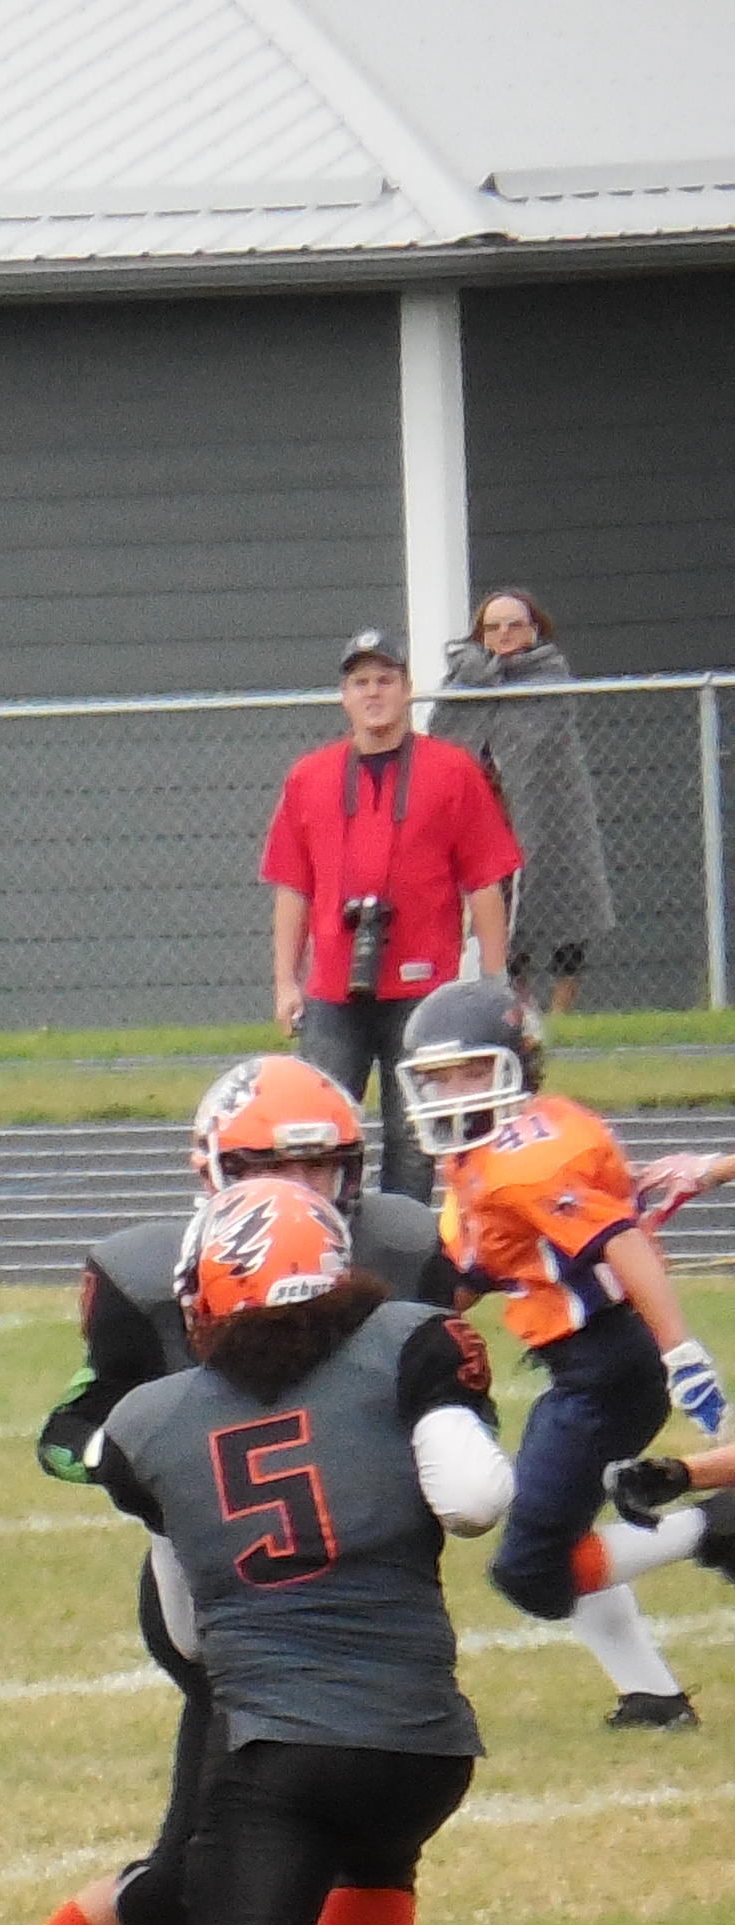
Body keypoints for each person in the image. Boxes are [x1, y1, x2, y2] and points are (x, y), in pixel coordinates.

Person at [0, 1062, 459, 1925]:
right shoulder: (152, 1276)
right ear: (213, 1171)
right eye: (269, 1164)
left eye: (322, 1164)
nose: (300, 1186)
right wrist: (170, 1472)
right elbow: (69, 1434)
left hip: (362, 1585)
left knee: (220, 1861)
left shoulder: (404, 1249)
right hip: (235, 1595)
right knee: (243, 1853)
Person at [94, 1182, 511, 1925]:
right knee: (380, 1871)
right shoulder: (410, 1344)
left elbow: (186, 1632)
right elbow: (472, 1499)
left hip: (280, 1731)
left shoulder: (149, 1423)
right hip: (423, 1734)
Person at [405, 974, 731, 1726]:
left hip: (608, 1367)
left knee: (532, 1570)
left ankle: (712, 1524)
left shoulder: (528, 1157)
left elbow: (620, 1242)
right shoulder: (486, 1156)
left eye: (469, 1073)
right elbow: (477, 1270)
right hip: (587, 1364)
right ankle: (651, 1698)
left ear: (515, 1064)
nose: (450, 1093)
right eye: (439, 1078)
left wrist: (679, 1349)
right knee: (559, 1533)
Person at [261, 627, 519, 1196]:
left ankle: (406, 1244)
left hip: (424, 991)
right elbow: (291, 887)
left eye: (385, 680)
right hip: (333, 989)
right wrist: (285, 981)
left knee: (416, 1135)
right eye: (361, 682)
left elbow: (485, 882)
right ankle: (329, 1239)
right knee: (321, 1129)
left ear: (407, 689)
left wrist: (494, 979)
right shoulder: (309, 777)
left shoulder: (452, 771)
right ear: (343, 696)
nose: (373, 693)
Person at [440, 588, 613, 1020]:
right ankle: (518, 1007)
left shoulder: (549, 676)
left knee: (565, 903)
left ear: (534, 630)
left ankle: (560, 1017)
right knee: (500, 909)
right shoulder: (463, 681)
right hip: (489, 815)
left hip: (551, 811)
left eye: (514, 625)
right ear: (480, 634)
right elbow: (447, 737)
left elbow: (544, 739)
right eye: (493, 627)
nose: (504, 634)